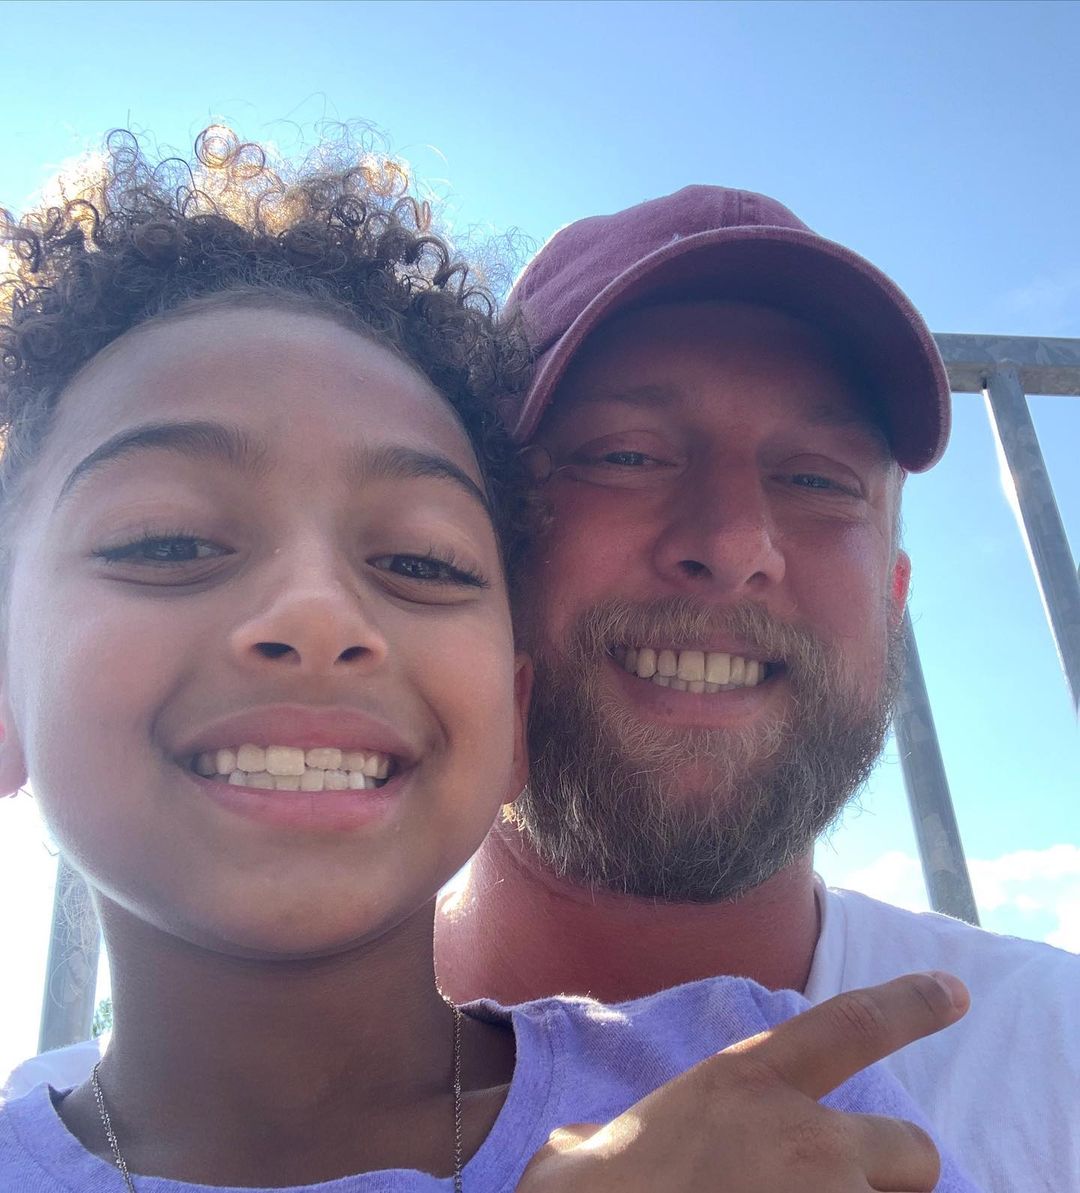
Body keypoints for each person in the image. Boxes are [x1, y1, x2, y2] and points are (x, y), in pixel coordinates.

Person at [0, 129, 979, 1192]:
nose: (318, 611)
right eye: (168, 541)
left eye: (419, 558)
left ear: (514, 713)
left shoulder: (777, 1092)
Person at [435, 185, 1080, 1193]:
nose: (735, 545)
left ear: (892, 600)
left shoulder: (1057, 1059)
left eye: (820, 478)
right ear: (463, 546)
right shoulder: (159, 1122)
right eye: (627, 456)